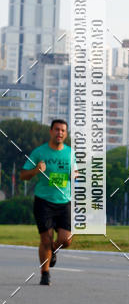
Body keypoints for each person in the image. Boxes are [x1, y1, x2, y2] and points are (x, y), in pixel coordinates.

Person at [20, 118, 73, 285]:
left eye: (63, 130)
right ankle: (45, 273)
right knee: (45, 239)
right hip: (44, 201)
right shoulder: (39, 152)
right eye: (57, 130)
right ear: (51, 132)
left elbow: (76, 171)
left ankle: (53, 250)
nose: (60, 133)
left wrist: (75, 175)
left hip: (64, 201)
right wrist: (36, 170)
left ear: (66, 134)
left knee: (66, 240)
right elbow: (23, 175)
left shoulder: (70, 153)